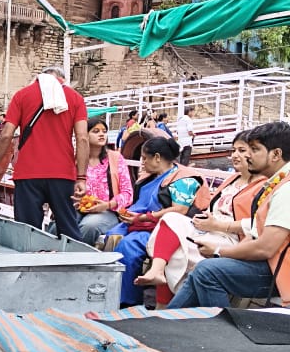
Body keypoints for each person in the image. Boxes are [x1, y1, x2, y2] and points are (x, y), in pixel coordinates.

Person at [168, 121, 290, 309]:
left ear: (276, 154)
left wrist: (219, 251)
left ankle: (224, 327)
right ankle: (167, 320)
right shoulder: (276, 183)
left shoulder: (286, 189)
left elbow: (265, 248)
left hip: (280, 271)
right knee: (200, 271)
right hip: (267, 263)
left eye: (254, 150)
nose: (248, 156)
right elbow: (255, 232)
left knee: (207, 271)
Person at [135, 132, 265, 306]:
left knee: (174, 250)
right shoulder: (232, 179)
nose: (235, 155)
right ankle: (157, 273)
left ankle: (164, 305)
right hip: (210, 229)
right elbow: (211, 208)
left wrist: (219, 225)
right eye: (233, 150)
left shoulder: (263, 185)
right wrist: (206, 219)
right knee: (171, 218)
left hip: (232, 238)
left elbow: (256, 225)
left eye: (242, 151)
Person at [0, 65, 88, 241]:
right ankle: (73, 257)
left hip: (28, 173)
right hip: (62, 173)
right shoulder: (75, 98)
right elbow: (83, 138)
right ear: (62, 79)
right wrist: (81, 177)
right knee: (69, 230)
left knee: (27, 234)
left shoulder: (22, 95)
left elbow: (6, 135)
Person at [104, 135, 208, 307]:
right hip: (140, 223)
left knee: (127, 247)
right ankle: (111, 291)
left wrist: (145, 217)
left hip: (162, 229)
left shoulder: (184, 179)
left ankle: (127, 301)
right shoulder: (149, 177)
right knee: (111, 236)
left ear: (157, 158)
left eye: (145, 158)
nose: (142, 163)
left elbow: (180, 210)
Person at [75, 118, 133, 246]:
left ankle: (76, 258)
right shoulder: (76, 160)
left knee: (89, 226)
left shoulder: (116, 158)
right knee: (61, 224)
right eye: (96, 131)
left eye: (104, 131)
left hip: (108, 211)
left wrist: (107, 205)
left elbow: (128, 193)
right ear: (84, 135)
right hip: (80, 209)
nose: (102, 134)